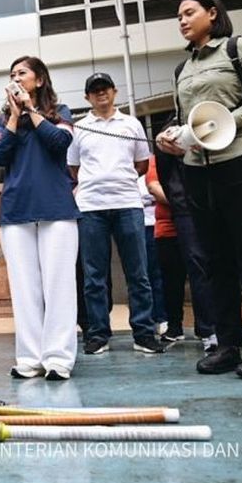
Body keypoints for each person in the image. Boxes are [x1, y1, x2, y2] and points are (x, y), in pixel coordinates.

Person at [155, 0, 242, 379]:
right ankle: (229, 345)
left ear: (212, 14)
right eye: (178, 16)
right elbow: (186, 121)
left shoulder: (239, 49)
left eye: (188, 12)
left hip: (241, 162)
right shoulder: (182, 70)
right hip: (197, 170)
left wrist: (224, 121)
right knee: (213, 260)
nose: (181, 20)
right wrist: (172, 139)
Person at [0, 56, 81, 380]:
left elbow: (60, 142)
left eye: (22, 73)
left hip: (56, 208)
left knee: (59, 286)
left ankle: (58, 358)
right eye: (12, 74)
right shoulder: (3, 122)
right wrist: (14, 117)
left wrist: (30, 110)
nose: (16, 78)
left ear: (39, 80)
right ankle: (29, 358)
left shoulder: (61, 113)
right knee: (25, 288)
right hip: (16, 211)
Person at [68, 72, 166, 356]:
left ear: (114, 92)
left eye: (105, 89)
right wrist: (97, 182)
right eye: (94, 90)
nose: (100, 94)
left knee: (139, 274)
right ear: (87, 97)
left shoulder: (131, 124)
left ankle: (144, 334)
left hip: (127, 204)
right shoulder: (79, 128)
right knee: (94, 276)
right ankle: (98, 334)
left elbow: (141, 164)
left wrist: (116, 180)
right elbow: (74, 168)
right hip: (91, 207)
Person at [148, 151, 217, 349]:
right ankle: (174, 327)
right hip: (167, 229)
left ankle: (205, 327)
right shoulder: (157, 160)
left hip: (195, 224)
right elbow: (153, 186)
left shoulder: (196, 158)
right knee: (171, 280)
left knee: (199, 272)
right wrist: (185, 201)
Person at [138, 169, 168, 336]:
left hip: (155, 223)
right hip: (137, 223)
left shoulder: (152, 164)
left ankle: (162, 317)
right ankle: (148, 319)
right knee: (142, 275)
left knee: (157, 274)